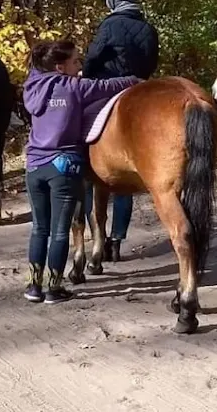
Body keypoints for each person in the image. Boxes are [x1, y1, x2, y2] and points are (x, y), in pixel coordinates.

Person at [22, 39, 141, 304]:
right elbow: (106, 87)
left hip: (33, 166)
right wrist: (135, 79)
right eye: (76, 61)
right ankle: (54, 288)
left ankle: (33, 286)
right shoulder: (74, 87)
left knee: (39, 229)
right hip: (63, 167)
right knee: (61, 231)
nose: (80, 65)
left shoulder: (31, 87)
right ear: (60, 66)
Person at [82, 0, 159, 262]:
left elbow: (91, 61)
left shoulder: (109, 26)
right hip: (140, 87)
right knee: (127, 169)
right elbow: (151, 62)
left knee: (83, 156)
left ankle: (96, 236)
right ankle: (117, 239)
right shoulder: (149, 28)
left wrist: (86, 80)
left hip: (106, 90)